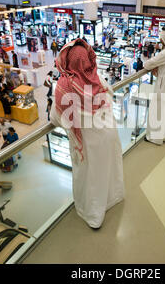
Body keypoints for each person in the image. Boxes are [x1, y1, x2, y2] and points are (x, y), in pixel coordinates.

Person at [50, 38, 124, 229]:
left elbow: (56, 118)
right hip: (108, 133)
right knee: (107, 171)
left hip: (88, 143)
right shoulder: (96, 77)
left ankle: (93, 215)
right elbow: (109, 95)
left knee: (90, 178)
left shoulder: (64, 86)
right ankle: (111, 199)